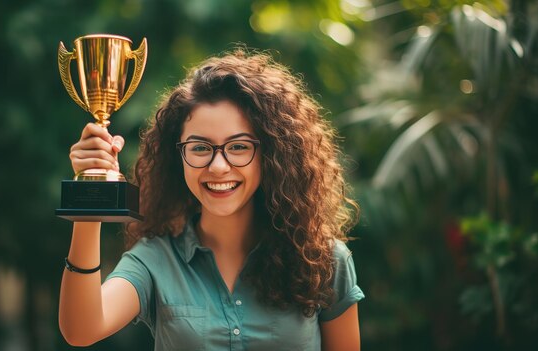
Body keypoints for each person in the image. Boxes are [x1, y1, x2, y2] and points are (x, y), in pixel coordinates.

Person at [59, 49, 365, 350]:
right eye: (200, 148)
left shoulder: (324, 261)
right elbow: (82, 330)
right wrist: (91, 193)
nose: (218, 167)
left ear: (271, 155)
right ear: (177, 156)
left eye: (239, 147)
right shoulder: (155, 259)